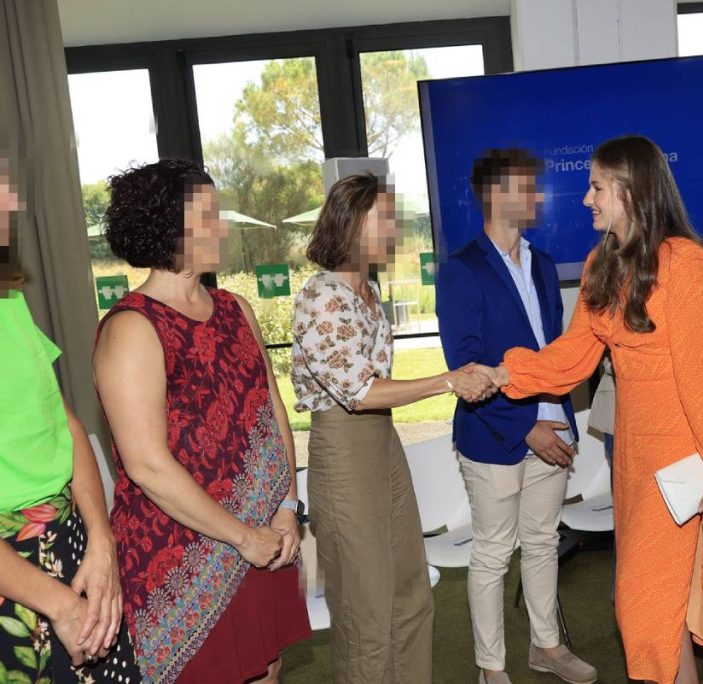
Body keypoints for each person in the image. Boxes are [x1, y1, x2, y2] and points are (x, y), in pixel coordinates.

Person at [476, 135, 703, 684]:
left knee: (647, 608)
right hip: (632, 459)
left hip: (682, 462)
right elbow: (572, 356)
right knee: (661, 610)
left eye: (597, 186)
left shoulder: (685, 263)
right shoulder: (601, 262)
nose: (587, 198)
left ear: (631, 191)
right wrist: (506, 374)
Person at [92, 160, 310, 684]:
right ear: (169, 227)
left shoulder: (235, 307)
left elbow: (271, 408)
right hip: (182, 552)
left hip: (261, 530)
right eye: (207, 215)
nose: (222, 226)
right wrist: (242, 537)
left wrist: (286, 505)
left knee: (267, 667)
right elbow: (147, 466)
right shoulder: (131, 328)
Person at [291, 172, 494, 684]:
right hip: (344, 450)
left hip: (384, 445)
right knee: (365, 612)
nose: (394, 227)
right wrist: (448, 381)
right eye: (384, 217)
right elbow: (359, 394)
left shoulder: (370, 290)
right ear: (351, 223)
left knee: (410, 594)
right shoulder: (322, 296)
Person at [435, 149, 598, 684]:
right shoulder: (461, 269)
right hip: (495, 434)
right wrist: (524, 427)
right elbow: (464, 364)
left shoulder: (544, 264)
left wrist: (549, 418)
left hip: (552, 423)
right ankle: (492, 668)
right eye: (528, 186)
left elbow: (554, 351)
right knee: (491, 554)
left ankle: (546, 647)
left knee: (544, 540)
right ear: (497, 193)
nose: (538, 195)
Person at [1, 157, 139, 682]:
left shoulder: (9, 300)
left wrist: (101, 543)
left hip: (70, 543)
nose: (11, 204)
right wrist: (59, 605)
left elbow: (67, 425)